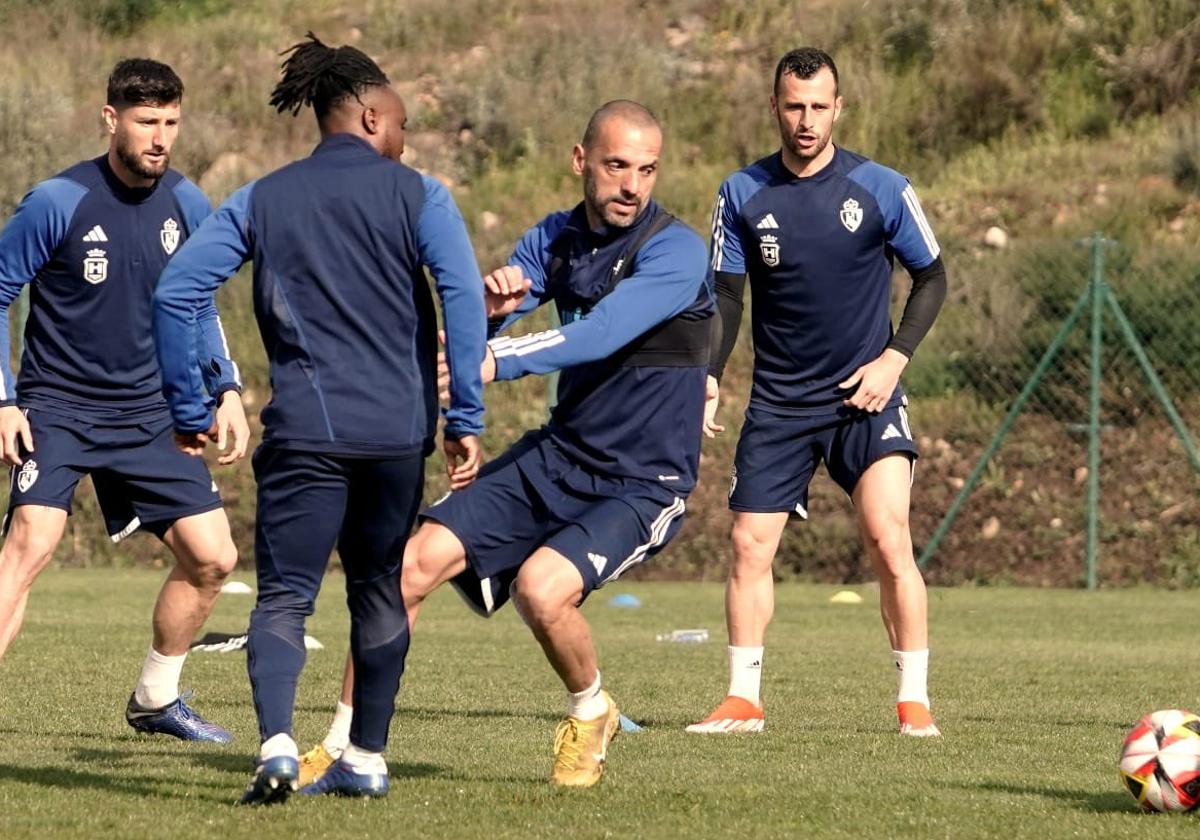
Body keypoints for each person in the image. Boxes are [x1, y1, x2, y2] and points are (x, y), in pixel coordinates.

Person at [301, 99, 713, 789]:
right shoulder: (556, 238)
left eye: (646, 169)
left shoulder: (675, 251)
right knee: (406, 569)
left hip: (642, 482)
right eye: (616, 166)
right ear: (581, 162)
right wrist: (487, 317)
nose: (632, 185)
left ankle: (592, 711)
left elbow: (599, 332)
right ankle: (344, 746)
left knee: (541, 590)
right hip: (559, 455)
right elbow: (492, 311)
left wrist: (496, 360)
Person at [152, 33, 487, 805]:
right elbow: (462, 298)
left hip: (305, 435)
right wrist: (463, 415)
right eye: (398, 123)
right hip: (397, 440)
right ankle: (366, 756)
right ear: (371, 116)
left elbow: (177, 292)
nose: (402, 139)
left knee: (283, 599)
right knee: (376, 590)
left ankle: (275, 747)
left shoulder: (263, 198)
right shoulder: (421, 195)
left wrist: (189, 406)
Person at [688, 47, 947, 737]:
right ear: (775, 107)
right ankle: (744, 700)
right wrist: (710, 374)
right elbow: (727, 297)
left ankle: (913, 701)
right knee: (748, 544)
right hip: (779, 402)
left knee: (888, 538)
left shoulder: (882, 187)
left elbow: (933, 279)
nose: (806, 121)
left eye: (818, 106)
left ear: (839, 107)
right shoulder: (742, 192)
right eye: (794, 106)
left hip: (867, 393)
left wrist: (894, 359)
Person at [0, 58, 244, 742]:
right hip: (58, 407)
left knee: (213, 558)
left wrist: (224, 386)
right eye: (146, 122)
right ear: (111, 120)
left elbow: (201, 305)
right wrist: (3, 400)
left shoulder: (189, 205)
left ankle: (155, 698)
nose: (160, 137)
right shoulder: (57, 201)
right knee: (30, 541)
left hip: (151, 415)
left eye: (170, 122)